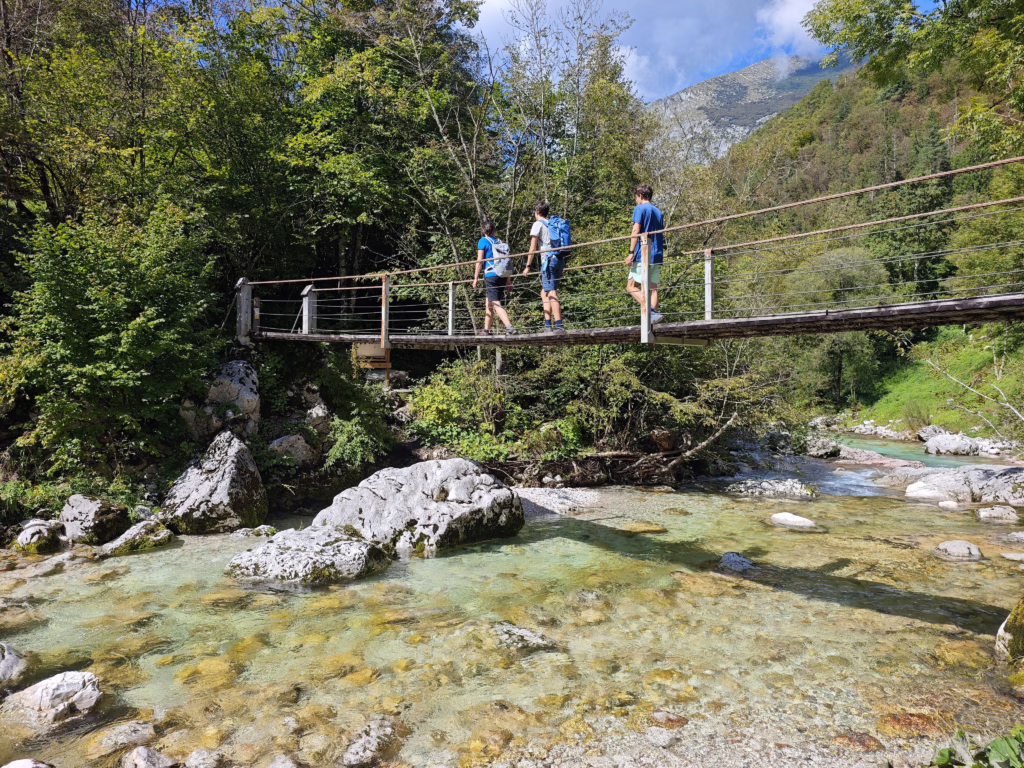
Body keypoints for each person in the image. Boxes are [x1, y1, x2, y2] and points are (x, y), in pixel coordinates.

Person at [523, 202, 566, 333]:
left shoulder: (538, 224)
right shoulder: (552, 224)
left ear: (537, 212)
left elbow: (532, 248)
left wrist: (528, 266)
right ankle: (548, 325)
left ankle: (559, 325)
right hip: (559, 260)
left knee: (551, 292)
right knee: (544, 292)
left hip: (548, 261)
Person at [625, 184, 665, 324]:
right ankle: (654, 317)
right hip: (658, 254)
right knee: (653, 288)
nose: (636, 200)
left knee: (631, 286)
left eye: (636, 197)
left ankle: (651, 311)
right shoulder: (659, 212)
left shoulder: (640, 208)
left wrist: (631, 252)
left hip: (644, 254)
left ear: (640, 196)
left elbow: (636, 231)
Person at [472, 221, 517, 336]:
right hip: (502, 275)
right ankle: (486, 330)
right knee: (489, 302)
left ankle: (509, 327)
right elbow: (505, 262)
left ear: (483, 231)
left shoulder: (483, 241)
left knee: (496, 303)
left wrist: (475, 278)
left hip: (491, 275)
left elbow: (480, 261)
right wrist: (508, 281)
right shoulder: (499, 242)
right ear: (494, 231)